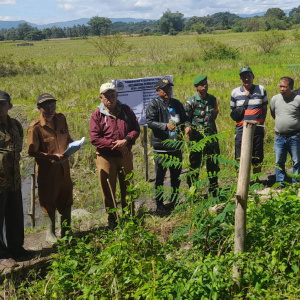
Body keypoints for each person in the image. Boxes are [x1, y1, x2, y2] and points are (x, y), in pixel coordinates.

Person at [90, 82, 140, 228]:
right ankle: (112, 218)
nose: (110, 99)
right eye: (106, 96)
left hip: (125, 154)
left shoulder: (126, 110)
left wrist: (126, 140)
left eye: (113, 95)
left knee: (127, 185)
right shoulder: (97, 115)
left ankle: (129, 215)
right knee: (108, 188)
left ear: (117, 95)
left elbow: (135, 129)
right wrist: (116, 145)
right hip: (106, 156)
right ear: (101, 98)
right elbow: (95, 138)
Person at [27, 93, 73, 244]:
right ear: (39, 109)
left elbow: (66, 137)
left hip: (64, 169)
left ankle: (67, 231)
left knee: (66, 198)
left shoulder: (61, 119)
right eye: (45, 107)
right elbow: (32, 152)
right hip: (48, 172)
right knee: (48, 201)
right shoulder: (35, 128)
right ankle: (50, 233)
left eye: (52, 105)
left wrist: (74, 145)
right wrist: (50, 156)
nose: (50, 109)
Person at [146, 78, 186, 213]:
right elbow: (150, 122)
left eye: (169, 88)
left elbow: (184, 119)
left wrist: (185, 128)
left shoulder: (176, 103)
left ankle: (174, 201)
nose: (168, 91)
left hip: (176, 146)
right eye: (165, 89)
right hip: (161, 147)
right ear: (158, 91)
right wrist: (165, 126)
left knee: (176, 177)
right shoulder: (154, 104)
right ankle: (159, 204)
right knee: (160, 178)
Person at [0, 90, 26, 268]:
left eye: (2, 103)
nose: (0, 107)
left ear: (10, 106)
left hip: (15, 178)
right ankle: (1, 255)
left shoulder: (16, 124)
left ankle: (16, 248)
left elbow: (19, 146)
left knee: (15, 215)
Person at [184, 75, 220, 196]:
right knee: (195, 165)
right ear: (196, 87)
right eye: (201, 85)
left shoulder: (212, 99)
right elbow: (186, 119)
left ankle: (214, 190)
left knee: (213, 164)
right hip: (197, 139)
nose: (204, 87)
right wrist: (188, 127)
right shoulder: (191, 102)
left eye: (206, 84)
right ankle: (193, 192)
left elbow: (215, 114)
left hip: (211, 138)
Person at [230, 66, 268, 177]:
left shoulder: (261, 89)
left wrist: (261, 123)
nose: (246, 79)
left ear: (253, 77)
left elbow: (264, 108)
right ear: (240, 79)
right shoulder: (235, 92)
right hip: (241, 129)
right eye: (244, 77)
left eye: (248, 76)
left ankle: (256, 181)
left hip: (257, 128)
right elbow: (233, 110)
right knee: (240, 156)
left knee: (257, 156)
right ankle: (242, 182)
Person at [270, 77, 300, 188]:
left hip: (295, 136)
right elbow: (273, 113)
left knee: (296, 160)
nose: (281, 89)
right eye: (280, 86)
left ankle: (296, 182)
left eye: (284, 86)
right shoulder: (275, 99)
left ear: (291, 87)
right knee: (279, 161)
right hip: (279, 136)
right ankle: (280, 183)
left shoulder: (297, 99)